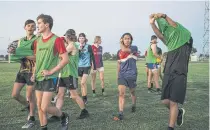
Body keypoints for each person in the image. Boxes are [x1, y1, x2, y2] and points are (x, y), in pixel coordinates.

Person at [150, 13, 193, 130]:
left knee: (173, 101)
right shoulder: (169, 41)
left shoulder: (183, 34)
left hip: (180, 71)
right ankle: (178, 113)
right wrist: (152, 24)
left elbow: (173, 24)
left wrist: (164, 16)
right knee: (165, 101)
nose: (165, 29)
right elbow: (159, 35)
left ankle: (171, 127)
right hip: (169, 69)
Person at [32, 14, 69, 130]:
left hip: (50, 77)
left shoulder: (56, 40)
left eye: (39, 23)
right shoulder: (37, 41)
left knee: (45, 107)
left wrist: (51, 71)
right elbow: (37, 60)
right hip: (38, 77)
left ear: (46, 25)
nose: (37, 26)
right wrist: (34, 73)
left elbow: (65, 59)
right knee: (39, 106)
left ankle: (63, 116)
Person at [51, 29, 89, 120]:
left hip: (70, 74)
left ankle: (84, 111)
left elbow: (60, 54)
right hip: (64, 74)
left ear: (68, 36)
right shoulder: (69, 45)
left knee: (74, 95)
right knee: (60, 95)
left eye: (65, 37)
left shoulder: (72, 45)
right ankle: (57, 113)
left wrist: (60, 43)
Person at [8, 19, 37, 129]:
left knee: (30, 96)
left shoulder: (37, 40)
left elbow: (37, 57)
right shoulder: (20, 41)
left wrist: (23, 54)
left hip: (32, 71)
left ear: (35, 28)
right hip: (22, 70)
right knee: (15, 95)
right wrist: (12, 51)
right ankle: (29, 106)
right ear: (25, 27)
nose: (30, 27)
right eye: (28, 26)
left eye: (33, 26)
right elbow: (14, 53)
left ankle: (32, 118)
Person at [113, 33, 138, 120]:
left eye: (128, 38)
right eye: (125, 38)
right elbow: (118, 64)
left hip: (132, 74)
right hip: (122, 75)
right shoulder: (118, 52)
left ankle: (134, 104)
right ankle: (121, 113)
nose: (127, 40)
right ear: (123, 40)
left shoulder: (134, 48)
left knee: (132, 92)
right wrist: (117, 75)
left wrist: (120, 42)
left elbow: (125, 49)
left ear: (131, 40)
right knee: (121, 94)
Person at [78, 33, 96, 104]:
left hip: (87, 66)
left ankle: (85, 98)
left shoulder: (89, 46)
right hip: (79, 66)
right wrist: (79, 50)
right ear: (78, 39)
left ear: (85, 39)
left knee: (83, 82)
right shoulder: (77, 46)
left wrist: (93, 65)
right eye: (80, 38)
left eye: (82, 38)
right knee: (81, 84)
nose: (81, 39)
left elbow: (92, 56)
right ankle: (84, 97)